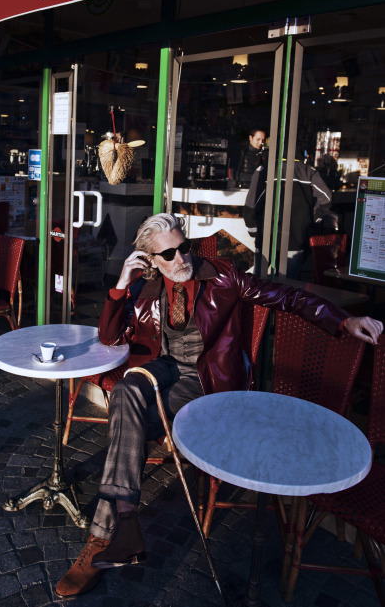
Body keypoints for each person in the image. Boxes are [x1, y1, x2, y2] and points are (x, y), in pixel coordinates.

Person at [55, 213, 382, 598]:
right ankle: (124, 525)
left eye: (184, 247)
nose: (181, 259)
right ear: (151, 260)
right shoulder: (145, 287)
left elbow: (286, 296)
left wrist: (342, 321)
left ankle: (103, 537)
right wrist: (122, 285)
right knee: (128, 390)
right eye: (169, 254)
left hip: (207, 383)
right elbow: (110, 338)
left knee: (127, 412)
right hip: (162, 372)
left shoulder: (224, 276)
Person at [243, 157, 339, 279]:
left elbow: (251, 204)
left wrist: (253, 230)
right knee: (289, 285)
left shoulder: (264, 169)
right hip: (296, 235)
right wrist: (314, 219)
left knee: (259, 284)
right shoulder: (308, 170)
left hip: (267, 234)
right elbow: (326, 197)